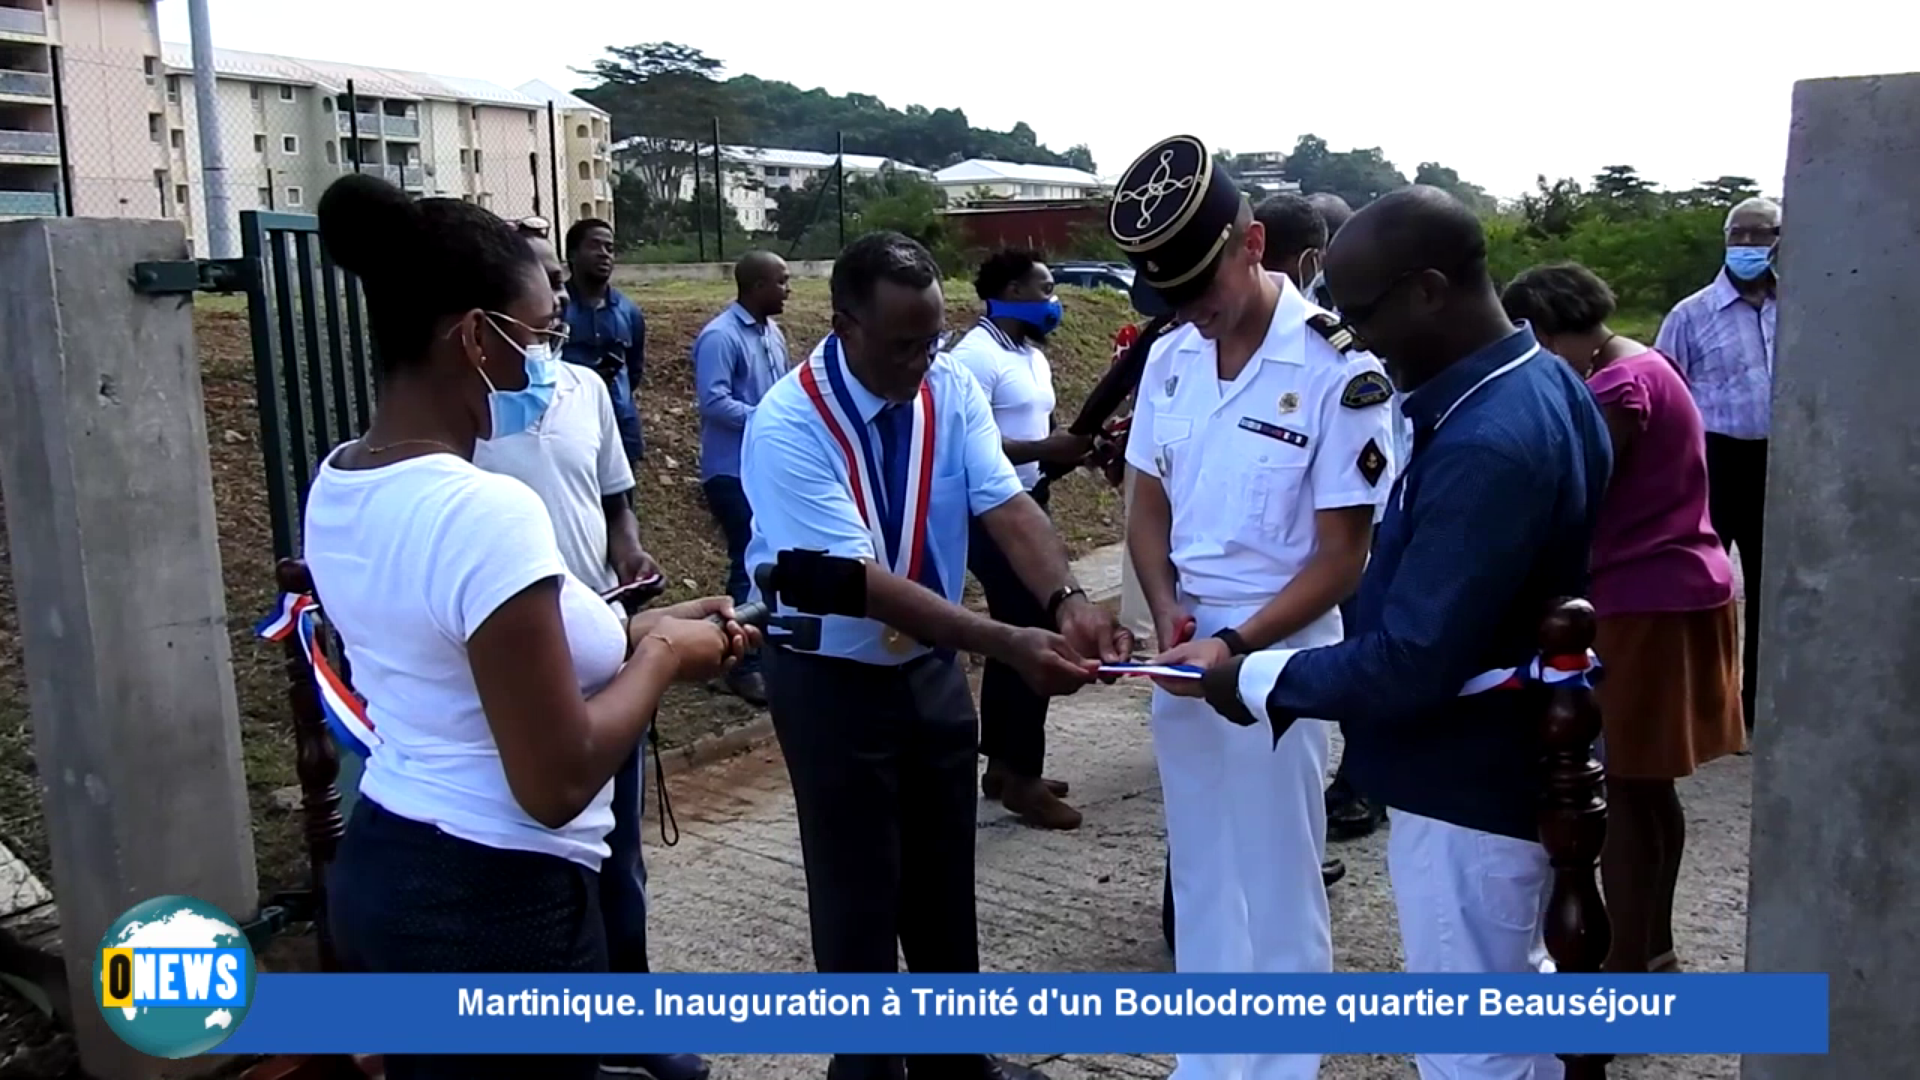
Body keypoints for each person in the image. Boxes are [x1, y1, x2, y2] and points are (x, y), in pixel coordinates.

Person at [301, 174, 754, 1080]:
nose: (550, 362)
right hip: (495, 905)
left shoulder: (342, 479)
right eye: (540, 336)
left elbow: (468, 656)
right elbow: (553, 780)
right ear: (472, 337)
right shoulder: (484, 510)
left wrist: (635, 628)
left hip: (397, 861)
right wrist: (661, 654)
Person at [1201, 185, 1612, 1080]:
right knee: (1517, 1013)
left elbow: (1416, 657)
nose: (1350, 336)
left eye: (1359, 311)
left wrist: (1255, 676)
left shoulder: (1489, 439)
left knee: (1474, 1046)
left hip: (1467, 780)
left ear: (1428, 288)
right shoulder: (1540, 383)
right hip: (1508, 762)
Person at [741, 230, 1131, 1080]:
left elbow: (1007, 505)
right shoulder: (789, 425)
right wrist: (1005, 640)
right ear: (843, 323)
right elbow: (863, 584)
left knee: (943, 874)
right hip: (829, 677)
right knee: (857, 890)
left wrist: (1063, 601)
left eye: (931, 337)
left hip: (926, 668)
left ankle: (959, 1063)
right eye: (902, 343)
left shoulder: (947, 386)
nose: (922, 359)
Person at [1114, 135, 1394, 1080]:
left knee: (1277, 871)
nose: (1191, 312)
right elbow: (1145, 501)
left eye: (1201, 288)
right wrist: (1165, 613)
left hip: (1279, 647)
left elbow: (1342, 557)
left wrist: (1235, 646)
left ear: (1253, 243)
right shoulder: (1172, 356)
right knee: (1199, 865)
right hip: (1185, 640)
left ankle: (1281, 1067)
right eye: (1172, 298)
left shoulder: (1336, 369)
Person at [472, 232, 706, 1080]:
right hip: (518, 660)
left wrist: (629, 556)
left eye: (562, 290)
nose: (561, 303)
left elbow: (615, 501)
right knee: (541, 851)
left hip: (601, 639)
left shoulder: (586, 388)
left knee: (616, 851)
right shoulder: (469, 406)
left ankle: (628, 1018)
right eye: (545, 286)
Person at [1502, 262, 1744, 975]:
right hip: (1677, 588)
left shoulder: (1616, 386)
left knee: (1627, 794)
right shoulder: (1645, 361)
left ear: (1545, 329)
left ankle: (1628, 969)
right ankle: (1653, 950)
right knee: (1650, 787)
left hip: (1642, 598)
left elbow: (1574, 489)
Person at [1265, 192, 1394, 843]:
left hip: (1362, 526)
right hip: (1310, 542)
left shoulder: (1350, 342)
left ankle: (1363, 782)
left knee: (1365, 657)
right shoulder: (1217, 338)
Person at [947, 248, 1091, 830]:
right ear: (1009, 289)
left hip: (1032, 500)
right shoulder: (972, 358)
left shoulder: (1030, 354)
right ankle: (1022, 778)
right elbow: (965, 442)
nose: (1053, 299)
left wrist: (1063, 452)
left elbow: (1040, 427)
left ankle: (1004, 767)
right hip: (992, 513)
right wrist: (1040, 451)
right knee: (1032, 634)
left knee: (1020, 635)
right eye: (1045, 287)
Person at [1655, 196, 1780, 734]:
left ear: (1782, 239)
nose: (1749, 246)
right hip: (1713, 458)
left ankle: (1757, 706)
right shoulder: (1692, 314)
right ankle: (1696, 704)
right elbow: (1662, 392)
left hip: (1779, 464)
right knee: (1700, 586)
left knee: (1771, 589)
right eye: (1740, 235)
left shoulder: (1800, 308)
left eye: (1761, 234)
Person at [694, 250, 793, 708]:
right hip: (731, 470)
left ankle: (752, 654)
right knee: (746, 562)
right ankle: (739, 666)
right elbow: (714, 403)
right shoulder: (720, 337)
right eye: (781, 281)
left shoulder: (773, 333)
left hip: (763, 467)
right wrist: (767, 419)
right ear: (756, 287)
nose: (788, 289)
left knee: (764, 560)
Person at [561, 218, 647, 464]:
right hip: (569, 427)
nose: (604, 254)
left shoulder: (629, 312)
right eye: (595, 246)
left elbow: (634, 371)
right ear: (572, 254)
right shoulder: (554, 308)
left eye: (609, 248)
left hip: (620, 426)